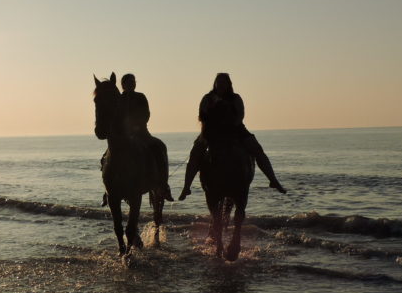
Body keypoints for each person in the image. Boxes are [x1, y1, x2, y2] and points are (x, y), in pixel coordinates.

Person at [179, 73, 286, 199]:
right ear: (215, 84)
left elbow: (240, 116)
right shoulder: (207, 98)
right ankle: (186, 187)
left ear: (228, 84)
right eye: (219, 83)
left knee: (257, 150)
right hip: (211, 132)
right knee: (195, 153)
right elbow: (202, 116)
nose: (221, 85)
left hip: (236, 130)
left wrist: (229, 125)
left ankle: (273, 180)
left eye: (224, 83)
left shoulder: (235, 98)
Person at [100, 74, 174, 203]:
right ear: (123, 85)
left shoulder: (140, 97)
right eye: (128, 82)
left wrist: (137, 125)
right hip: (123, 135)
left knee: (158, 148)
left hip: (141, 133)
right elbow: (115, 116)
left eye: (133, 82)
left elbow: (146, 113)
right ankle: (108, 190)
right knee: (105, 158)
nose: (131, 84)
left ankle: (163, 185)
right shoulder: (119, 99)